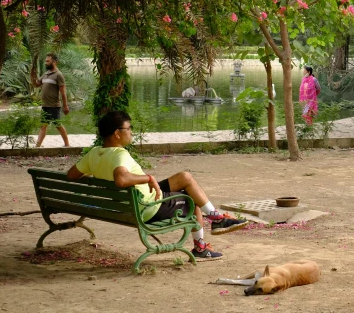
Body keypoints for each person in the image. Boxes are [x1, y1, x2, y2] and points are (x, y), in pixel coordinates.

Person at [66, 111, 249, 260]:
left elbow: (72, 174)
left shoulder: (95, 153)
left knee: (184, 177)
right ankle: (203, 244)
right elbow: (121, 179)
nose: (131, 132)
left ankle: (216, 218)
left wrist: (99, 172)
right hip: (147, 207)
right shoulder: (119, 154)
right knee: (191, 198)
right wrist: (148, 179)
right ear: (117, 133)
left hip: (128, 203)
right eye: (129, 129)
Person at [30, 53, 70, 147]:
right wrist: (32, 76)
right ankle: (38, 146)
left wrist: (65, 106)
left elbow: (63, 92)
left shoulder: (58, 75)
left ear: (54, 62)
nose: (46, 63)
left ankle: (67, 145)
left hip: (54, 106)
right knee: (43, 125)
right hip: (45, 106)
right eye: (45, 61)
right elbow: (36, 84)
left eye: (48, 61)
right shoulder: (45, 74)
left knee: (58, 125)